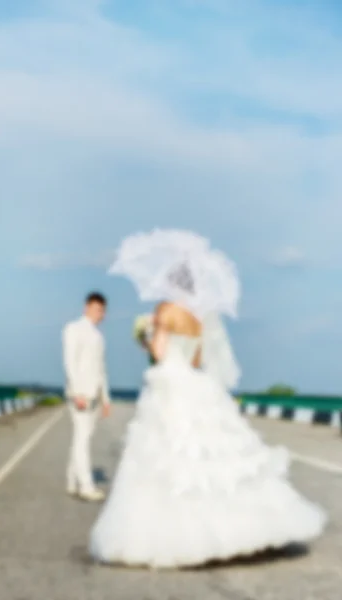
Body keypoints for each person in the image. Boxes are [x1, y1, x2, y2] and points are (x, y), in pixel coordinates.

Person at [89, 229, 326, 569]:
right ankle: (239, 531)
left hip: (168, 384)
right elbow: (197, 361)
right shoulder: (198, 320)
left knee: (166, 456)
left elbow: (158, 352)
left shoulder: (164, 311)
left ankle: (171, 534)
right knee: (209, 458)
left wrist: (146, 336)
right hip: (195, 385)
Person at [63, 292, 111, 502]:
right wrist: (76, 392)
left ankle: (72, 479)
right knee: (82, 439)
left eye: (101, 310)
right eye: (95, 308)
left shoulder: (99, 337)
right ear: (86, 307)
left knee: (82, 438)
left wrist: (106, 398)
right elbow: (70, 362)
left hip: (94, 395)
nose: (98, 313)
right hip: (80, 394)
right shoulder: (73, 329)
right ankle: (86, 485)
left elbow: (102, 370)